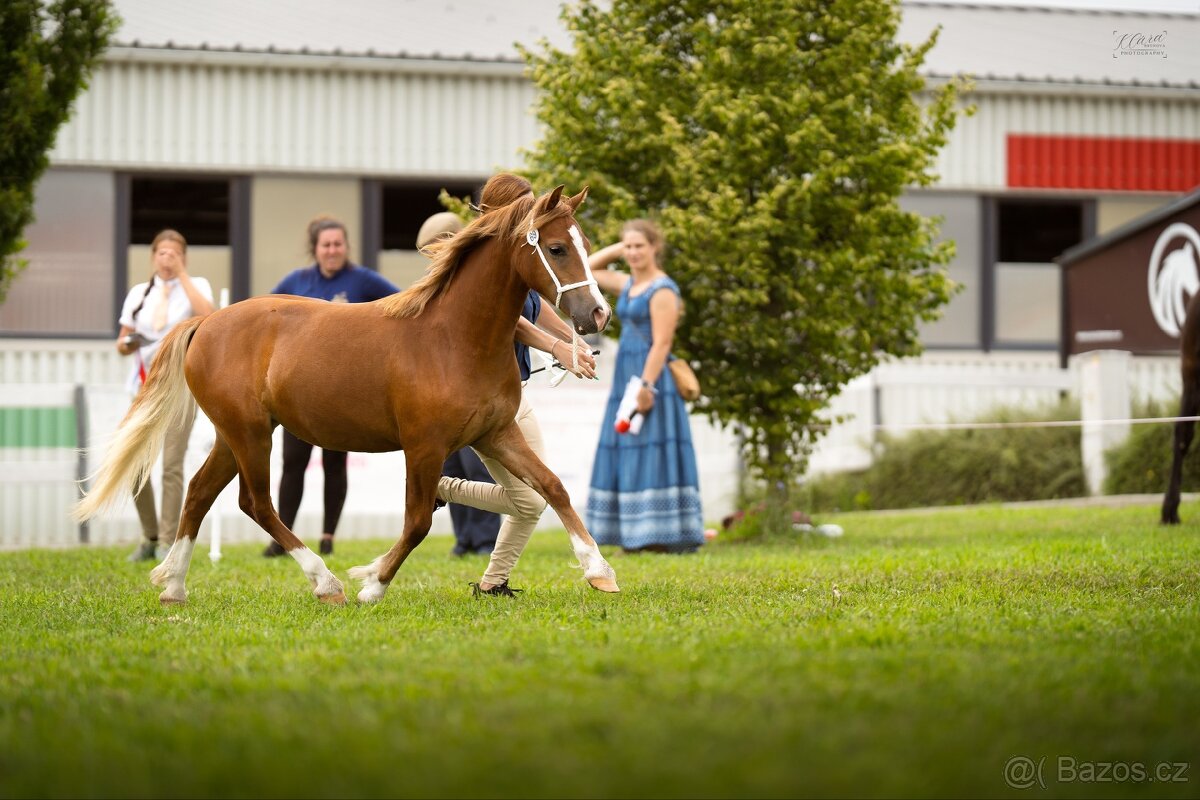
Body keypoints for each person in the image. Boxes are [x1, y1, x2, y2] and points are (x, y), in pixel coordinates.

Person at [434, 174, 597, 595]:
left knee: (531, 501)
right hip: (482, 397)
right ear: (496, 213)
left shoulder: (522, 257)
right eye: (524, 208)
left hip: (512, 389)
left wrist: (571, 340)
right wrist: (557, 349)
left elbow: (535, 307)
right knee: (538, 494)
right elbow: (513, 322)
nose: (533, 216)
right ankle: (436, 487)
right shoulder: (485, 264)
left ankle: (493, 581)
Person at [264, 215, 401, 557]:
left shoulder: (363, 280)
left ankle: (328, 536)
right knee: (292, 463)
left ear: (346, 247)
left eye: (338, 244)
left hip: (343, 390)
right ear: (315, 249)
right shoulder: (296, 281)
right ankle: (282, 538)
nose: (332, 250)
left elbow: (402, 305)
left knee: (335, 465)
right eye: (326, 245)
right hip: (299, 391)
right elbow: (264, 316)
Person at [585, 220, 705, 553]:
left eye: (640, 246)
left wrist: (647, 387)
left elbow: (663, 342)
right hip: (627, 373)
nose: (634, 253)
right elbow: (589, 269)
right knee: (628, 445)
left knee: (654, 447)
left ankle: (664, 534)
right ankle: (634, 533)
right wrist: (619, 248)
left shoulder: (663, 288)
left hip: (652, 378)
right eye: (630, 247)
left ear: (655, 247)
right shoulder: (629, 284)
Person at [117, 229, 215, 561]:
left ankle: (168, 541)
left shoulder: (195, 286)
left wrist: (183, 275)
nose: (167, 259)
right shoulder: (139, 294)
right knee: (133, 463)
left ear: (183, 257)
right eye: (161, 253)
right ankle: (149, 535)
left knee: (171, 465)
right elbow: (121, 340)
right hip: (144, 386)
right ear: (153, 257)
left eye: (174, 254)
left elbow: (208, 316)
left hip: (180, 386)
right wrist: (128, 343)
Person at [415, 211, 502, 557]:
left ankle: (484, 540)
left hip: (471, 389)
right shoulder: (441, 282)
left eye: (433, 252)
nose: (430, 261)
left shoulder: (473, 282)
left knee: (476, 466)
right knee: (450, 467)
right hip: (442, 389)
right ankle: (464, 537)